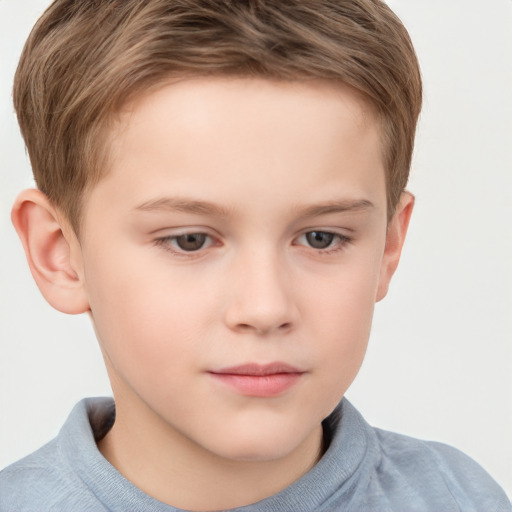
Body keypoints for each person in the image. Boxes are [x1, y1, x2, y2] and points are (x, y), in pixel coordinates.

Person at [0, 0, 510, 510]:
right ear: (60, 252)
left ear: (388, 246)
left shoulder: (461, 498)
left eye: (321, 238)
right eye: (190, 240)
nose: (265, 309)